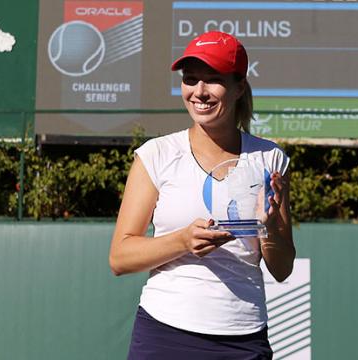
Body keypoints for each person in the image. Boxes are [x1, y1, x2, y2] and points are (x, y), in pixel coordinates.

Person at [109, 30, 295, 360]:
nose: (199, 92)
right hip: (163, 334)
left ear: (239, 87)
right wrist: (182, 241)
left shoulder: (271, 159)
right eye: (191, 79)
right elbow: (120, 258)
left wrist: (268, 229)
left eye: (212, 80)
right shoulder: (156, 155)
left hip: (244, 339)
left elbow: (281, 269)